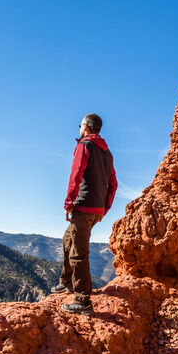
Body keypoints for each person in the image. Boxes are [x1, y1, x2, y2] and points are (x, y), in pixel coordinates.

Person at [52, 113, 117, 316]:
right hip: (96, 209)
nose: (79, 128)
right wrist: (105, 208)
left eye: (80, 125)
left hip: (83, 206)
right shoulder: (107, 153)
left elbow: (76, 175)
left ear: (86, 128)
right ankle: (67, 282)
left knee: (78, 253)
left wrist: (68, 204)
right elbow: (113, 183)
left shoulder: (84, 146)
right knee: (67, 240)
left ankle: (82, 301)